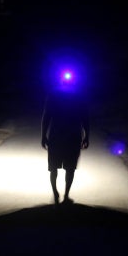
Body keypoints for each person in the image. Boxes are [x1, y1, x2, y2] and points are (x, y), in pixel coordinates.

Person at [40, 75, 89, 204]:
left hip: (57, 135)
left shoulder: (53, 93)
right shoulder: (79, 95)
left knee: (53, 167)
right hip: (73, 136)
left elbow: (46, 116)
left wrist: (43, 135)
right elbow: (85, 118)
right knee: (70, 167)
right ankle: (66, 195)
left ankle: (56, 193)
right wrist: (86, 136)